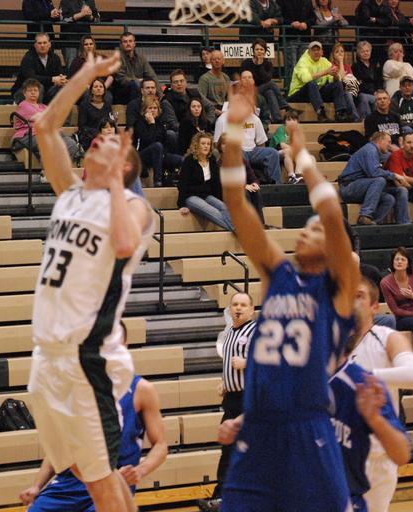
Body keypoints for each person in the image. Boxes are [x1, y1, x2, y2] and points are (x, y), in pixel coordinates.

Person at [216, 77, 359, 512]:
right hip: (258, 428)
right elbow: (235, 202)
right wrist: (233, 131)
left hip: (307, 428)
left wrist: (302, 155)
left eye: (314, 229)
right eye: (306, 227)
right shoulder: (278, 274)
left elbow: (330, 211)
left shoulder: (338, 286)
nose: (307, 230)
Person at [29, 50, 154, 512]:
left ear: (124, 165)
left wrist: (117, 183)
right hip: (46, 356)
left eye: (109, 143)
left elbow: (124, 244)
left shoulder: (135, 207)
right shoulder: (71, 194)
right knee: (85, 472)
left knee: (99, 482)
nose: (99, 141)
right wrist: (85, 74)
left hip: (88, 358)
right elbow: (45, 127)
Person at [20, 366, 167, 511]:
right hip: (69, 484)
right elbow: (61, 447)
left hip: (112, 484)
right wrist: (37, 486)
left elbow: (160, 445)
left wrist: (140, 471)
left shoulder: (141, 389)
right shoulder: (77, 388)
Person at [349, 277, 413, 512]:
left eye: (359, 296)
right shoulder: (332, 344)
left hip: (377, 455)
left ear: (374, 307)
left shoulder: (387, 337)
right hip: (338, 451)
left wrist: (363, 375)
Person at [330, 331, 411, 512]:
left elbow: (402, 454)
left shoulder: (362, 382)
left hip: (350, 496)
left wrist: (375, 420)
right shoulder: (294, 382)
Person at [198, 292, 257, 511]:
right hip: (232, 399)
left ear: (252, 309)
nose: (238, 308)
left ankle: (227, 498)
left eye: (243, 305)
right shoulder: (230, 331)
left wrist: (247, 362)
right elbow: (230, 365)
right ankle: (222, 498)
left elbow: (269, 364)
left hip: (249, 399)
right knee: (228, 449)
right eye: (235, 304)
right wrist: (226, 383)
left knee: (242, 451)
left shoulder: (256, 332)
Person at [338, 132, 411, 225]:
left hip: (361, 187)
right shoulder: (370, 150)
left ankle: (371, 224)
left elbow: (391, 157)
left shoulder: (377, 152)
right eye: (388, 142)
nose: (390, 145)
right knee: (379, 180)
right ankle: (365, 215)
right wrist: (395, 175)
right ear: (380, 141)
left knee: (389, 199)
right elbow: (374, 172)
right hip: (349, 187)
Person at [213, 100, 282, 185]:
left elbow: (261, 142)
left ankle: (276, 186)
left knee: (273, 153)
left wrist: (259, 156)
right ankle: (245, 184)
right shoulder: (222, 120)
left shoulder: (254, 118)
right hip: (234, 150)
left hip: (253, 151)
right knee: (240, 155)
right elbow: (217, 143)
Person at [12, 78, 80, 161]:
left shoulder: (43, 107)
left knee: (71, 143)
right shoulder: (24, 105)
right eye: (30, 90)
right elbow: (41, 118)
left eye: (35, 90)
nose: (33, 92)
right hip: (27, 136)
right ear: (24, 93)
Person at [177, 132, 234, 232]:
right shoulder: (189, 160)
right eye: (203, 143)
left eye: (208, 144)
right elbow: (182, 183)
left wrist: (219, 201)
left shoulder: (212, 160)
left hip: (207, 195)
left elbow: (216, 183)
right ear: (196, 145)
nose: (206, 146)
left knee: (225, 208)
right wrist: (181, 205)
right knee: (212, 210)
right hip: (191, 196)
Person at [288, 41, 355, 123]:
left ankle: (340, 113)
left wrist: (335, 75)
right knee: (311, 83)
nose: (316, 52)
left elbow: (334, 79)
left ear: (322, 52)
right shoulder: (303, 61)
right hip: (298, 94)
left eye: (318, 50)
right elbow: (306, 79)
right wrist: (326, 72)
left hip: (315, 93)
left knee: (337, 84)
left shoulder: (324, 61)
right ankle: (321, 114)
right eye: (313, 50)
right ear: (309, 52)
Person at [133, 97, 182, 187]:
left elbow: (165, 142)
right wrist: (152, 124)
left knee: (182, 160)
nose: (153, 110)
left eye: (155, 108)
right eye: (150, 108)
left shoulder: (160, 124)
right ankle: (157, 181)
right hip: (142, 155)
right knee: (157, 146)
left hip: (159, 155)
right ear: (144, 110)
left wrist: (163, 153)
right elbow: (148, 141)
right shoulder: (139, 124)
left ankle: (177, 182)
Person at [216, 135, 267, 223]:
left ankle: (260, 223)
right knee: (244, 192)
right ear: (220, 147)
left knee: (255, 191)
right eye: (224, 144)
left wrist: (255, 183)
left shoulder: (242, 161)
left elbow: (252, 177)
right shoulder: (219, 164)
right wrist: (244, 186)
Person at [241, 39, 293, 124]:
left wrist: (260, 65)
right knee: (271, 84)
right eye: (257, 49)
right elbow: (245, 79)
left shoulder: (268, 64)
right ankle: (284, 105)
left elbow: (267, 79)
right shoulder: (246, 63)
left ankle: (277, 118)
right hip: (250, 90)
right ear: (253, 51)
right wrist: (258, 64)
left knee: (270, 92)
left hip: (264, 90)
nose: (259, 51)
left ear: (265, 51)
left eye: (261, 49)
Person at [11, 32, 67, 104]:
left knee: (62, 88)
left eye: (44, 43)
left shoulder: (55, 58)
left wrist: (62, 80)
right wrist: (52, 79)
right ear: (35, 45)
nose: (42, 45)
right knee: (38, 87)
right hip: (23, 91)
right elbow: (31, 78)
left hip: (46, 91)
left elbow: (60, 74)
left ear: (49, 44)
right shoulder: (28, 58)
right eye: (39, 43)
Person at [112, 32, 159, 105]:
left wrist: (160, 95)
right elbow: (121, 79)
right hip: (122, 92)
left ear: (134, 43)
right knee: (135, 85)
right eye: (125, 42)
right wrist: (137, 81)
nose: (128, 44)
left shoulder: (141, 58)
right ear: (121, 45)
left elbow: (152, 76)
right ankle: (136, 108)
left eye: (130, 41)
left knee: (150, 85)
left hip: (138, 88)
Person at [59, 0, 99, 68]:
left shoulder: (90, 1)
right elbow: (62, 18)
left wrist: (90, 16)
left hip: (85, 41)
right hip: (69, 41)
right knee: (72, 67)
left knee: (86, 67)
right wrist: (81, 14)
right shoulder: (65, 1)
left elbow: (97, 19)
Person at [327, 43, 361, 122]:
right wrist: (341, 62)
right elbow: (340, 78)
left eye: (342, 51)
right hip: (335, 92)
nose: (340, 53)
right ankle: (355, 117)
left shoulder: (347, 66)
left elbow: (351, 80)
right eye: (337, 51)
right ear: (333, 55)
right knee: (348, 94)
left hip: (348, 89)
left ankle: (354, 117)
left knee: (357, 94)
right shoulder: (331, 65)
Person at [268, 110, 302, 184]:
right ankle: (291, 177)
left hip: (289, 153)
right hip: (274, 153)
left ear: (297, 122)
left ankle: (301, 175)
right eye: (289, 119)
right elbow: (282, 145)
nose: (291, 122)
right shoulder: (281, 129)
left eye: (294, 119)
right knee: (288, 151)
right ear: (284, 122)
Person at [352, 41, 384, 120]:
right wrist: (373, 93)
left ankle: (381, 119)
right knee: (364, 97)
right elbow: (359, 83)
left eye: (367, 51)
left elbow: (380, 80)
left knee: (384, 97)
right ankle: (368, 119)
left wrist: (379, 91)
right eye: (363, 51)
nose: (365, 53)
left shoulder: (375, 64)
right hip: (363, 92)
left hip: (376, 91)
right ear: (359, 53)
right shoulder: (355, 66)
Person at [78, 78, 112, 150]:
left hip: (105, 135)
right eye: (95, 87)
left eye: (101, 87)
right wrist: (98, 133)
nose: (98, 88)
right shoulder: (84, 105)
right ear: (91, 90)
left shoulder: (107, 105)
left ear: (104, 90)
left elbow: (108, 121)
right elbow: (82, 127)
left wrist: (113, 122)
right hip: (89, 136)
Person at [198, 51, 231, 116]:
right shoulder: (204, 79)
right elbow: (201, 99)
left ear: (223, 61)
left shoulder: (226, 78)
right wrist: (215, 111)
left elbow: (229, 97)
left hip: (224, 110)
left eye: (219, 59)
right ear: (210, 61)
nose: (217, 61)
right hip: (211, 111)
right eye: (214, 59)